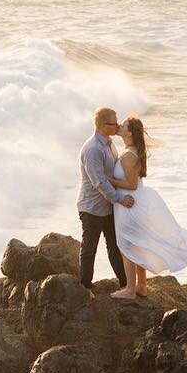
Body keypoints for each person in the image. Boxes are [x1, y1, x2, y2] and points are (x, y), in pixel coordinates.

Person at [107, 116, 187, 300]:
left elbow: (131, 184)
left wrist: (108, 180)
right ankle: (141, 286)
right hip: (135, 203)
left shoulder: (129, 155)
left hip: (129, 205)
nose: (119, 126)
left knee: (126, 245)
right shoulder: (132, 151)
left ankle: (130, 289)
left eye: (124, 125)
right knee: (137, 244)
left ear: (129, 132)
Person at [77, 107, 134, 297]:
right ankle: (85, 287)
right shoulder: (93, 149)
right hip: (92, 207)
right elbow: (100, 182)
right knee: (89, 248)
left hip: (108, 206)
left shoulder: (109, 143)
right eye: (114, 123)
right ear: (102, 125)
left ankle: (125, 284)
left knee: (114, 245)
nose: (118, 126)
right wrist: (120, 199)